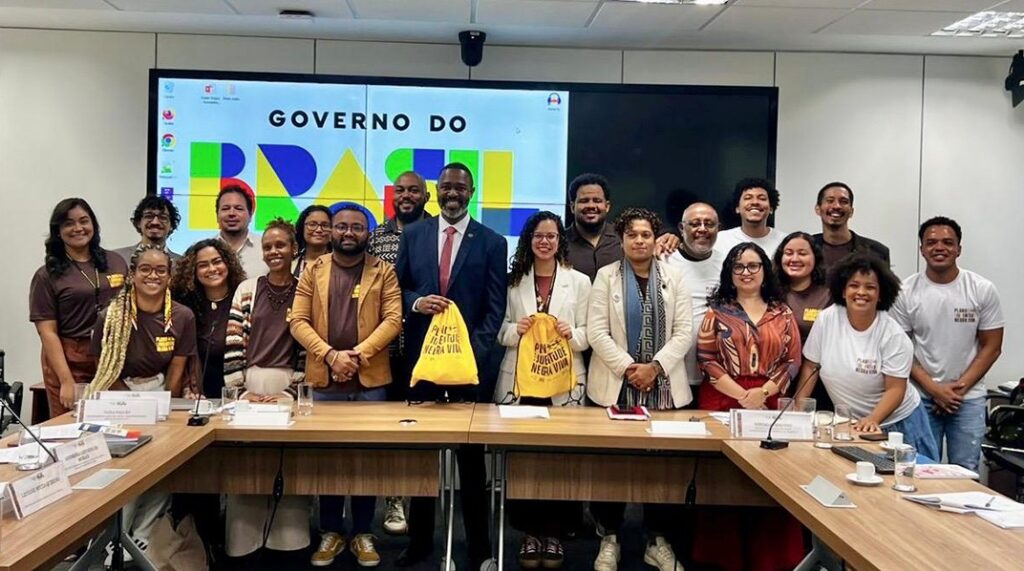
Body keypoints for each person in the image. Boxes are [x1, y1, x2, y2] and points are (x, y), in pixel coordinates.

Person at [394, 162, 507, 570]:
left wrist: (469, 354)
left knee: (471, 463)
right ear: (436, 191)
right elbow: (397, 288)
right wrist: (416, 303)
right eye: (446, 187)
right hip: (421, 363)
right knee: (423, 459)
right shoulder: (414, 235)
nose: (452, 193)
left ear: (471, 192)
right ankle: (420, 545)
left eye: (460, 187)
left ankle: (479, 548)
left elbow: (495, 308)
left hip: (470, 369)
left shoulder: (492, 242)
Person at [290, 204, 402, 568]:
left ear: (368, 233)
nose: (349, 232)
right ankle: (331, 531)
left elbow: (393, 320)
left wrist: (355, 355)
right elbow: (298, 321)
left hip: (370, 380)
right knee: (329, 459)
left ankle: (364, 533)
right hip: (324, 380)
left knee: (367, 458)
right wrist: (330, 356)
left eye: (357, 227)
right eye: (341, 226)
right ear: (331, 231)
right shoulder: (313, 270)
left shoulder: (383, 271)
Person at [587, 208, 693, 571]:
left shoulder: (675, 276)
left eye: (646, 234)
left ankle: (657, 540)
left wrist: (655, 367)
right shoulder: (606, 277)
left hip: (664, 387)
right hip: (617, 386)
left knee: (661, 467)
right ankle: (609, 537)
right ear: (622, 240)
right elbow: (596, 331)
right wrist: (630, 369)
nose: (639, 241)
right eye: (632, 235)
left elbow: (684, 331)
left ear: (655, 238)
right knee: (611, 466)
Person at [695, 242, 804, 571]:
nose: (746, 272)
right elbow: (706, 358)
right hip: (722, 398)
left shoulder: (782, 313)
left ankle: (772, 559)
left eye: (753, 266)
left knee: (772, 480)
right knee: (723, 479)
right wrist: (743, 395)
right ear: (729, 273)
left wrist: (763, 392)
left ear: (765, 271)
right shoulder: (716, 312)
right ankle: (723, 558)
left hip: (769, 402)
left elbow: (793, 361)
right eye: (738, 266)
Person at [86, 245, 198, 562]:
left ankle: (143, 537)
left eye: (161, 270)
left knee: (162, 470)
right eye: (145, 269)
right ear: (133, 274)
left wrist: (161, 404)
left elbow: (177, 367)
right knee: (128, 472)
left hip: (162, 394)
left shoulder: (182, 316)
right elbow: (105, 370)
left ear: (170, 276)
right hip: (119, 396)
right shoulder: (111, 316)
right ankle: (113, 540)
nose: (153, 275)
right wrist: (133, 402)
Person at [497, 211, 590, 569]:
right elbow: (499, 329)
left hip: (563, 381)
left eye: (552, 236)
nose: (545, 242)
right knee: (523, 459)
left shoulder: (579, 281)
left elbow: (590, 333)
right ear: (529, 240)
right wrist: (515, 330)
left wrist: (572, 333)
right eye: (539, 236)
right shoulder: (513, 281)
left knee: (559, 458)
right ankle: (529, 533)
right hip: (522, 382)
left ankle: (554, 533)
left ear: (560, 240)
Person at [222, 219, 309, 559]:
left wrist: (292, 393)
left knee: (290, 465)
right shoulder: (247, 289)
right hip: (250, 385)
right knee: (247, 466)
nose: (274, 251)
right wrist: (241, 391)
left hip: (287, 388)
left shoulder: (306, 290)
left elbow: (307, 347)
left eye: (281, 245)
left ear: (294, 249)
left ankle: (288, 543)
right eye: (268, 246)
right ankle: (244, 543)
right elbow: (233, 340)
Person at [796, 254, 939, 460]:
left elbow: (896, 389)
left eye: (870, 287)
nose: (861, 292)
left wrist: (872, 419)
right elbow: (811, 366)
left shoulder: (893, 335)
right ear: (843, 290)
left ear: (881, 294)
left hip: (898, 424)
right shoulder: (827, 319)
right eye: (854, 285)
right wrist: (800, 410)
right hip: (853, 424)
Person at [890, 217, 1003, 471]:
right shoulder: (905, 292)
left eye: (947, 242)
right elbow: (900, 349)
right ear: (921, 249)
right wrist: (934, 389)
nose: (939, 247)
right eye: (931, 242)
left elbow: (992, 347)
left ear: (959, 249)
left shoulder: (982, 289)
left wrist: (955, 392)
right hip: (921, 398)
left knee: (965, 471)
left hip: (968, 399)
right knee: (920, 469)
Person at [366, 169, 431, 536]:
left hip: (427, 349)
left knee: (421, 431)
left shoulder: (436, 233)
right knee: (388, 429)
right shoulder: (375, 237)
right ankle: (393, 498)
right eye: (400, 190)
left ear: (426, 196)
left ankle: (421, 503)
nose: (406, 196)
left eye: (414, 191)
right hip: (384, 348)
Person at [30, 198, 128, 418]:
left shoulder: (115, 262)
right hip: (70, 358)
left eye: (84, 221)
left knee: (115, 422)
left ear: (93, 224)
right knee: (70, 424)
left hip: (111, 355)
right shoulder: (46, 275)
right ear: (58, 231)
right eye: (68, 223)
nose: (78, 228)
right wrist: (66, 380)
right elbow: (47, 332)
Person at [564, 173, 679, 282]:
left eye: (597, 201)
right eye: (584, 201)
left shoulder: (626, 235)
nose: (591, 206)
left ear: (607, 206)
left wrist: (673, 237)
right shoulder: (559, 242)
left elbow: (661, 236)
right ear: (572, 207)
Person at [171, 239, 246, 398]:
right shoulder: (184, 305)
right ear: (193, 271)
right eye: (203, 265)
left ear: (228, 264)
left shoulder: (243, 299)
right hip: (196, 397)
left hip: (238, 394)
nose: (212, 269)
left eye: (217, 262)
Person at [665, 202, 725, 395]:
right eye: (695, 223)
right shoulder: (663, 260)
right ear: (681, 228)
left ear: (718, 228)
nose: (702, 229)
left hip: (715, 375)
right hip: (670, 371)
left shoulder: (728, 264)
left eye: (709, 224)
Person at [774, 231, 832, 407]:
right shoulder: (769, 291)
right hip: (775, 377)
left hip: (817, 379)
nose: (795, 259)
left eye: (802, 253)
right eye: (788, 253)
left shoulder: (829, 294)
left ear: (815, 258)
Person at [810, 182, 890, 271]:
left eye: (843, 202)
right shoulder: (807, 247)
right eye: (830, 201)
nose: (836, 206)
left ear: (851, 211)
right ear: (818, 209)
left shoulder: (876, 252)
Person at [714, 178, 786, 257]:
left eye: (762, 198)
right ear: (737, 208)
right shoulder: (720, 240)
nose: (755, 202)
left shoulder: (784, 242)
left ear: (771, 208)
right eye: (748, 198)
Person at [113, 195, 182, 265]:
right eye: (149, 216)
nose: (155, 222)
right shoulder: (117, 258)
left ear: (171, 225)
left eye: (163, 217)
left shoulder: (181, 263)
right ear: (138, 223)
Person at [216, 185, 264, 278]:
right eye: (225, 208)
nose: (231, 213)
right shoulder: (204, 251)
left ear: (250, 215)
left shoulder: (265, 249)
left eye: (239, 208)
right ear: (217, 215)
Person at [293, 204, 332, 278]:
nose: (319, 230)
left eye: (325, 225)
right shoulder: (289, 263)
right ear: (302, 228)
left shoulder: (341, 264)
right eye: (312, 224)